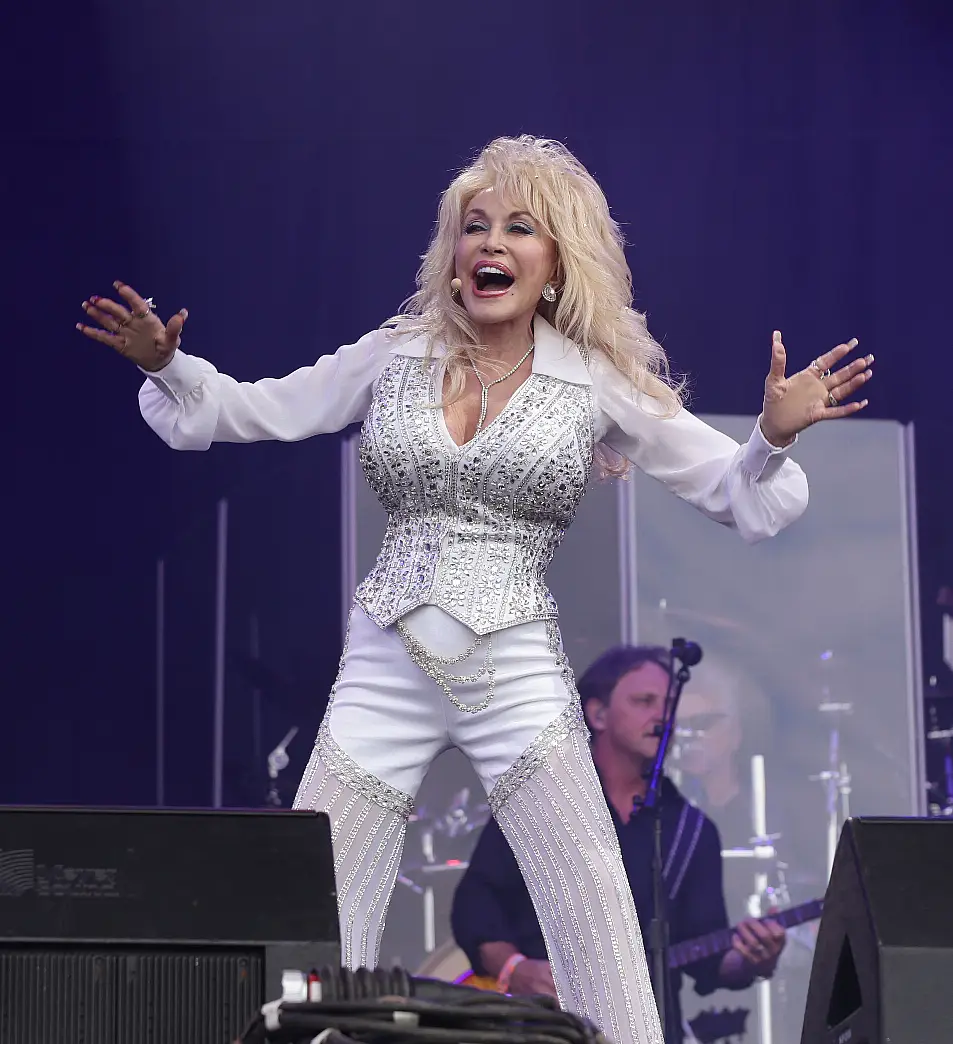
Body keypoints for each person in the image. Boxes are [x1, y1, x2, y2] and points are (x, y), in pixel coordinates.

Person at [76, 135, 872, 1044]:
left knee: (596, 922)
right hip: (384, 660)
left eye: (518, 228)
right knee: (306, 917)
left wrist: (769, 436)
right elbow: (253, 409)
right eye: (474, 226)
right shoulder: (396, 354)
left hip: (514, 670)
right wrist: (165, 366)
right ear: (453, 254)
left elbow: (733, 490)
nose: (489, 243)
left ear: (555, 263)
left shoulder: (593, 381)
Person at [451, 645, 786, 1044]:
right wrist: (514, 969)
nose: (661, 716)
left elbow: (711, 961)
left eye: (667, 705)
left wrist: (753, 960)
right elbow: (475, 904)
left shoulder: (691, 831)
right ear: (598, 714)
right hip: (538, 1028)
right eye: (643, 701)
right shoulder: (540, 802)